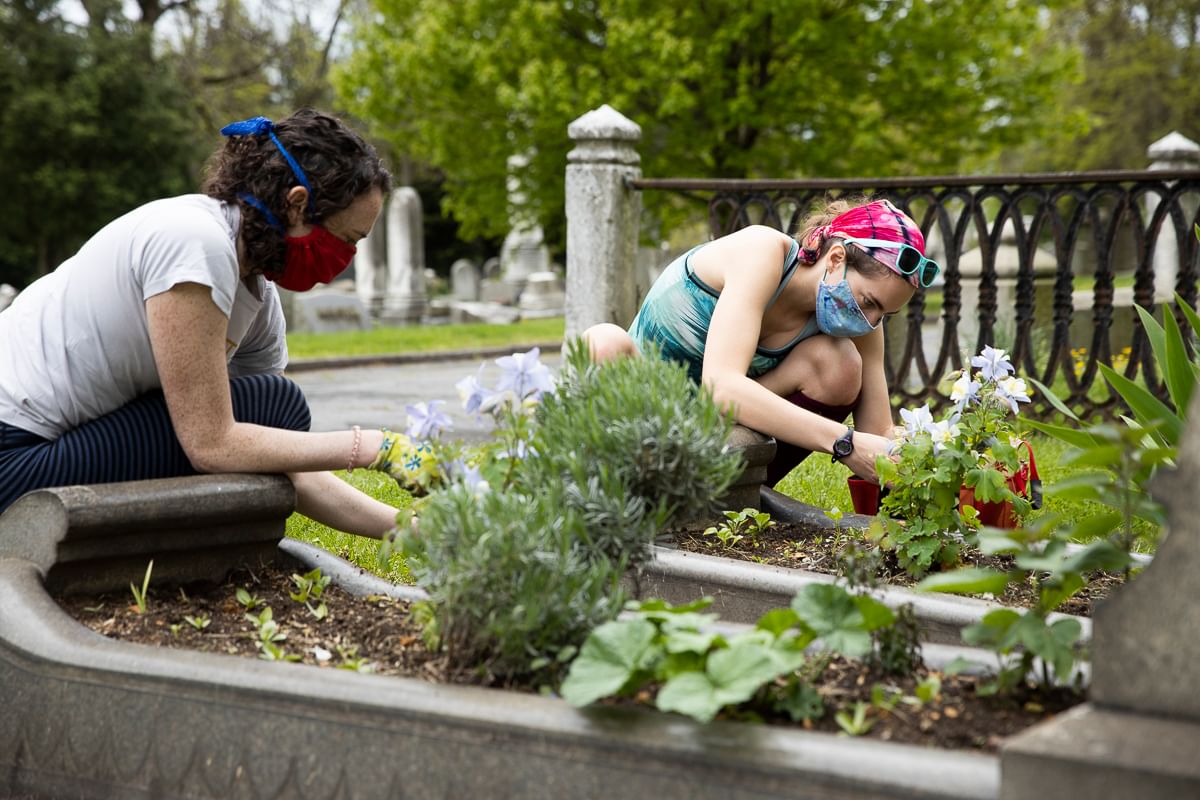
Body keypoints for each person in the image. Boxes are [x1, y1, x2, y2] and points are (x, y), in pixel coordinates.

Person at [0, 109, 416, 535]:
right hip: (13, 461)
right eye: (347, 239)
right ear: (297, 204)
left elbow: (282, 458)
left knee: (272, 409)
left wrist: (413, 530)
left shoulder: (254, 291)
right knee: (276, 403)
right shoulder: (194, 245)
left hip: (51, 446)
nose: (347, 258)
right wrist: (372, 448)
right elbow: (212, 445)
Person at [584, 198, 940, 485]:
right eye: (869, 303)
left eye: (884, 315)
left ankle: (737, 492)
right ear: (835, 258)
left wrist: (938, 450)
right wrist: (843, 443)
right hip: (647, 413)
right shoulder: (763, 251)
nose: (872, 321)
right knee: (602, 342)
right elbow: (720, 388)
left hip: (717, 429)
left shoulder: (863, 319)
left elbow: (877, 431)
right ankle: (612, 490)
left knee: (840, 364)